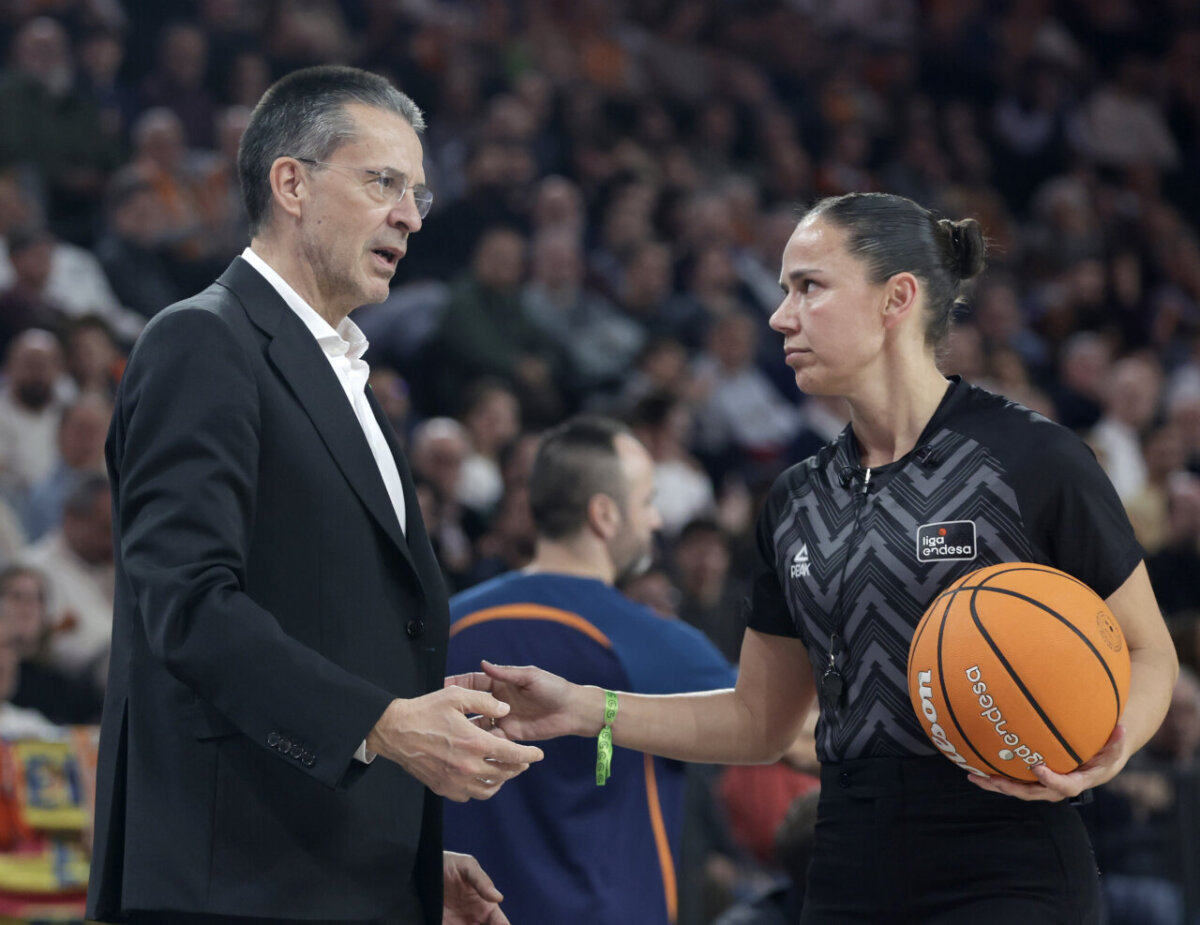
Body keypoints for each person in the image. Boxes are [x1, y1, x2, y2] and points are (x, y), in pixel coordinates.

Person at [477, 192, 1179, 923]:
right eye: (785, 290)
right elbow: (761, 721)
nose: (780, 317)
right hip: (846, 859)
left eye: (808, 287)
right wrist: (585, 708)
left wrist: (1109, 745)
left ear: (896, 298)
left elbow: (1147, 651)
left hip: (1009, 858)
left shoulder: (1034, 458)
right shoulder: (794, 498)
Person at [86, 65, 543, 925]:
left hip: (332, 874)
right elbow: (188, 606)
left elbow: (335, 633)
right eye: (383, 182)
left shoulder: (348, 376)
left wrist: (404, 860)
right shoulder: (202, 341)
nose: (410, 215)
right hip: (228, 887)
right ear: (291, 184)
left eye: (417, 194)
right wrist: (389, 722)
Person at [443, 416, 736, 925]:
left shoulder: (447, 624)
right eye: (646, 502)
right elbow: (790, 732)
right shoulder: (656, 645)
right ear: (604, 515)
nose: (656, 521)